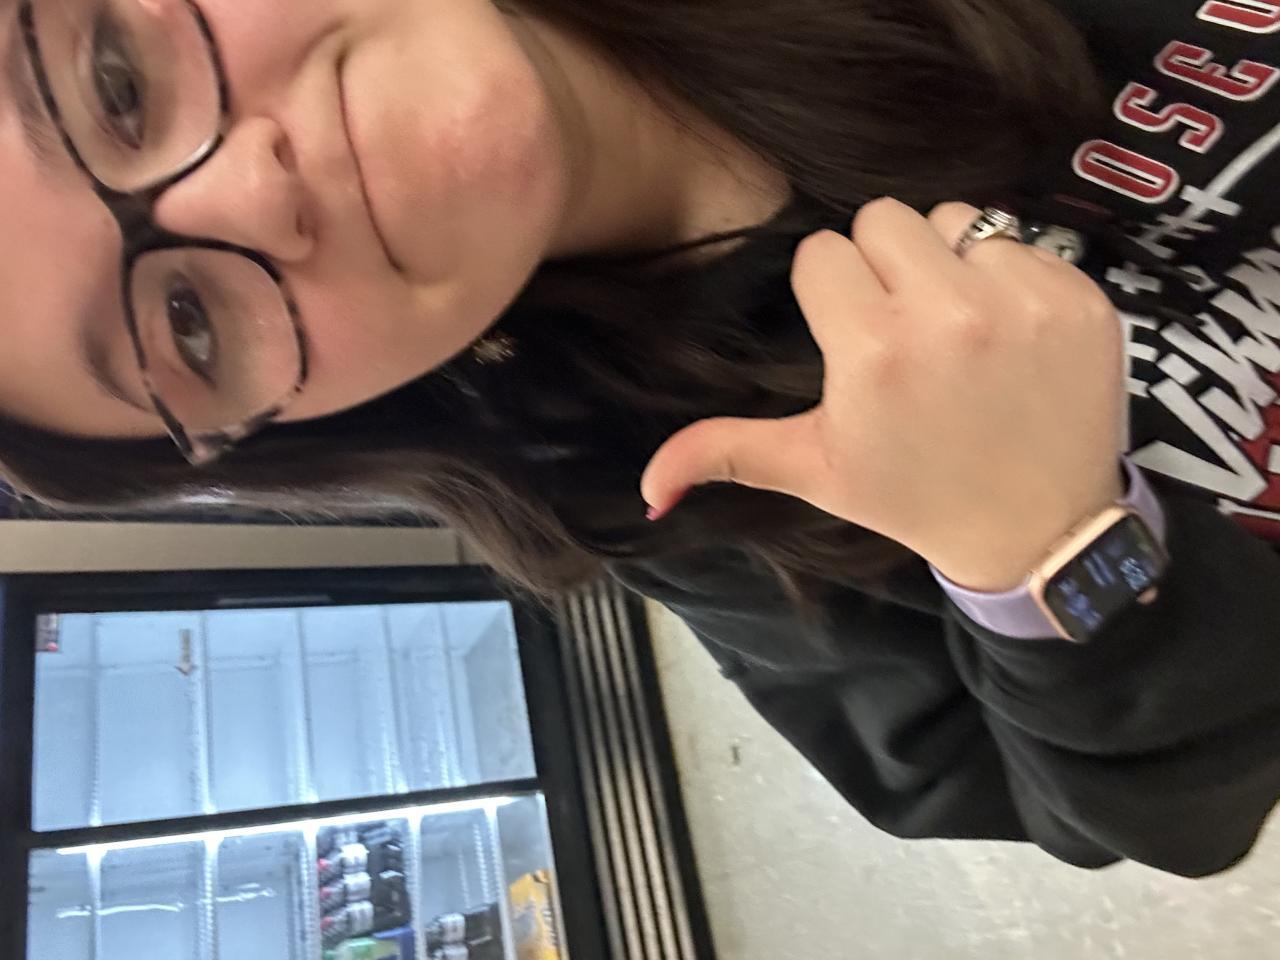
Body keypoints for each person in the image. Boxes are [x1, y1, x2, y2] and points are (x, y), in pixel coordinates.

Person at [1, 0, 1277, 880]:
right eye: (188, 328)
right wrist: (1048, 555)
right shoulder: (647, 485)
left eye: (117, 83)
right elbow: (1144, 808)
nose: (252, 192)